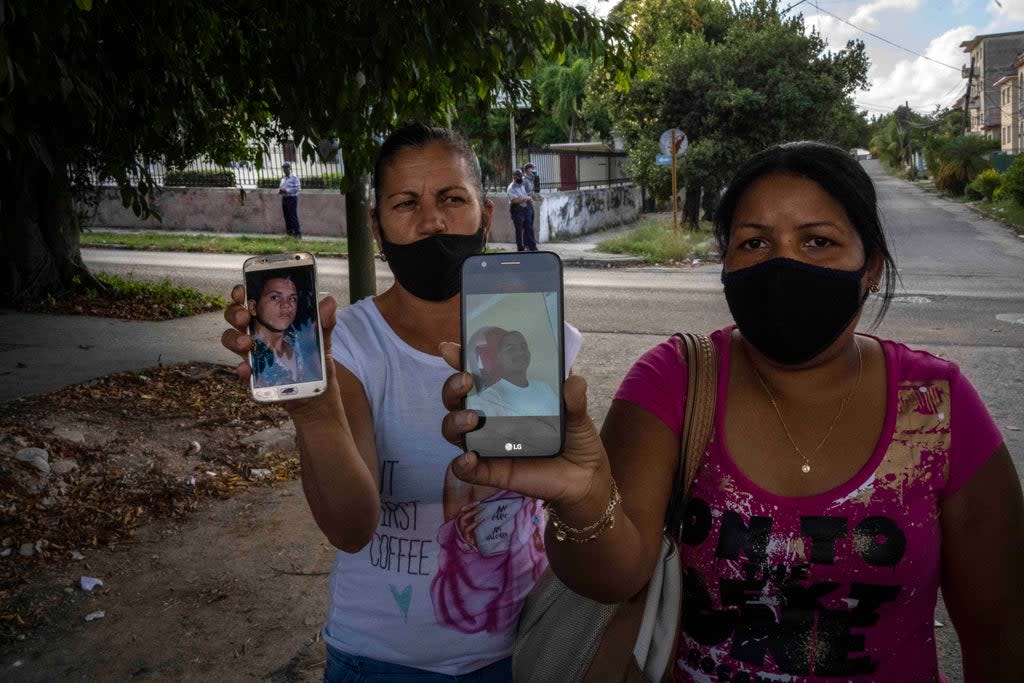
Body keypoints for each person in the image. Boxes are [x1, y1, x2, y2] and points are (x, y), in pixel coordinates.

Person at [442, 141, 1024, 681]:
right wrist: (581, 498)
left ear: (869, 266)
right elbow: (611, 578)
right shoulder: (673, 381)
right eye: (754, 242)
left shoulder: (936, 406)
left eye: (817, 241)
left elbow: (1001, 631)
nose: (783, 263)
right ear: (726, 265)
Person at [223, 122, 580, 682]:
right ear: (377, 226)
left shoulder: (537, 333)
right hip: (383, 663)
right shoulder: (349, 346)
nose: (433, 221)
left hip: (528, 648)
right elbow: (350, 527)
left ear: (486, 217)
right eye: (406, 203)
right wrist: (314, 411)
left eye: (452, 200)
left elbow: (564, 502)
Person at [247, 274, 322, 388]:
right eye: (275, 297)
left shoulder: (296, 340)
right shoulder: (254, 356)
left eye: (292, 298)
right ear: (253, 307)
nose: (286, 305)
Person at [471, 329, 559, 417]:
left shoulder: (545, 388)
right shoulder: (489, 398)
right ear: (499, 357)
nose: (520, 352)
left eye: (524, 346)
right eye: (511, 349)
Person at [506, 168, 536, 252]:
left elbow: (525, 195)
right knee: (519, 230)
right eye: (517, 177)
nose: (520, 178)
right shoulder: (511, 188)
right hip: (517, 210)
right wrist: (526, 198)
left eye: (520, 176)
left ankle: (532, 247)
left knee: (529, 228)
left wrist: (528, 199)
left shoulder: (521, 185)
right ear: (514, 177)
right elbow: (514, 200)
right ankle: (520, 248)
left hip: (525, 209)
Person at [279, 161, 302, 238]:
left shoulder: (294, 178)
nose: (285, 170)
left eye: (286, 168)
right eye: (284, 168)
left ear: (290, 168)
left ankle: (297, 233)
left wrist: (287, 191)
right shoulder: (283, 179)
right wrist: (281, 191)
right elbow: (282, 187)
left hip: (292, 198)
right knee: (286, 216)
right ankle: (289, 233)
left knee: (292, 216)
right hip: (284, 198)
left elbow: (297, 188)